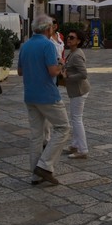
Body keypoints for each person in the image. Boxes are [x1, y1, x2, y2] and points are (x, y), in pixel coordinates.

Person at [17, 14, 70, 185]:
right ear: (48, 29)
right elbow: (53, 71)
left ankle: (36, 175)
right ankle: (44, 165)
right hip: (47, 95)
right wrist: (61, 64)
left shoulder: (25, 46)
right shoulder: (48, 45)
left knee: (36, 136)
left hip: (30, 95)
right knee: (63, 128)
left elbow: (19, 72)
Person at [61, 28, 91, 159]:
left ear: (78, 41)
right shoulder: (73, 52)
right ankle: (74, 144)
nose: (68, 39)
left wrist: (67, 77)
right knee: (74, 118)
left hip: (79, 91)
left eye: (72, 37)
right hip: (75, 91)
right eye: (68, 37)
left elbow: (83, 74)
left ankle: (83, 150)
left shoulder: (77, 55)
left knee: (77, 119)